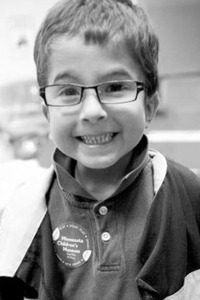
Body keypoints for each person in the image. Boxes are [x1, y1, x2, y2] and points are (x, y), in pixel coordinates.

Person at [1, 0, 200, 299]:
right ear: (47, 114)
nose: (92, 111)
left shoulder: (189, 196)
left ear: (149, 106)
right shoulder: (22, 211)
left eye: (115, 87)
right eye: (68, 91)